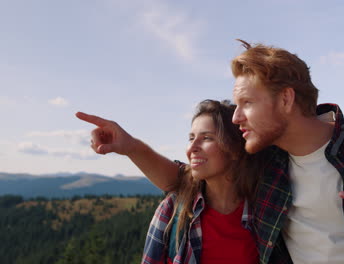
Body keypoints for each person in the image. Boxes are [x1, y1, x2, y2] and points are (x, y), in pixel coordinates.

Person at [78, 40, 344, 264]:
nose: (236, 119)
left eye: (245, 104)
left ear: (285, 99)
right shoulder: (266, 163)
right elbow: (184, 179)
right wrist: (127, 146)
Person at [76, 100, 263, 264]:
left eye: (206, 138)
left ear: (236, 149)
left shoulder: (264, 211)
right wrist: (130, 146)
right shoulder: (174, 211)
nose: (192, 148)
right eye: (191, 138)